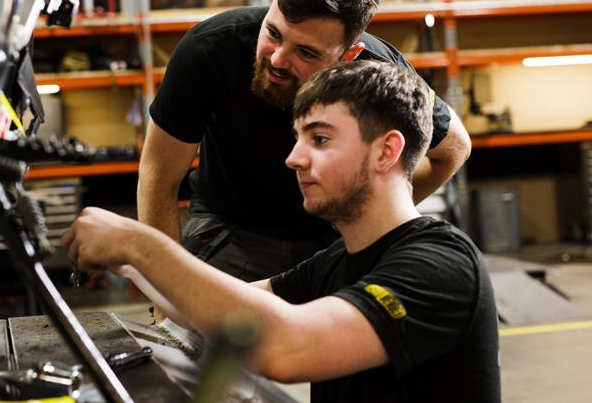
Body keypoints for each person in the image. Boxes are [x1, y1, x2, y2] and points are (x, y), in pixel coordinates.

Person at [61, 61, 500, 403]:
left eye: (320, 139)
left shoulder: (441, 263)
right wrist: (126, 263)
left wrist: (139, 244)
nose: (293, 158)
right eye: (298, 138)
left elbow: (287, 348)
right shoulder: (339, 261)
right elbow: (223, 311)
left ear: (387, 150)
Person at [138, 0, 471, 286]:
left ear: (349, 55)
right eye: (274, 33)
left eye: (306, 52)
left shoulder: (378, 71)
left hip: (332, 234)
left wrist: (367, 216)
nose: (279, 59)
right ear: (272, 1)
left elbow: (454, 149)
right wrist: (165, 297)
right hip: (230, 228)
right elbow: (158, 176)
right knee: (201, 331)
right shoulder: (208, 51)